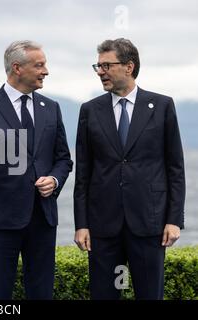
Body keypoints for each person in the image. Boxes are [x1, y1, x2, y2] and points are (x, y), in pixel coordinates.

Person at [0, 40, 73, 299]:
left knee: (42, 292)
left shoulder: (51, 107)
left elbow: (64, 159)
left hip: (43, 216)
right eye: (40, 65)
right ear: (17, 68)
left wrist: (54, 180)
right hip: (0, 219)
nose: (46, 71)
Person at [74, 38, 185, 300]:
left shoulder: (162, 106)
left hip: (150, 224)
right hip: (103, 226)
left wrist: (174, 220)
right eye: (97, 66)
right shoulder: (89, 110)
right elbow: (83, 173)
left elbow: (175, 168)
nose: (100, 71)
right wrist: (82, 224)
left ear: (129, 66)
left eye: (106, 65)